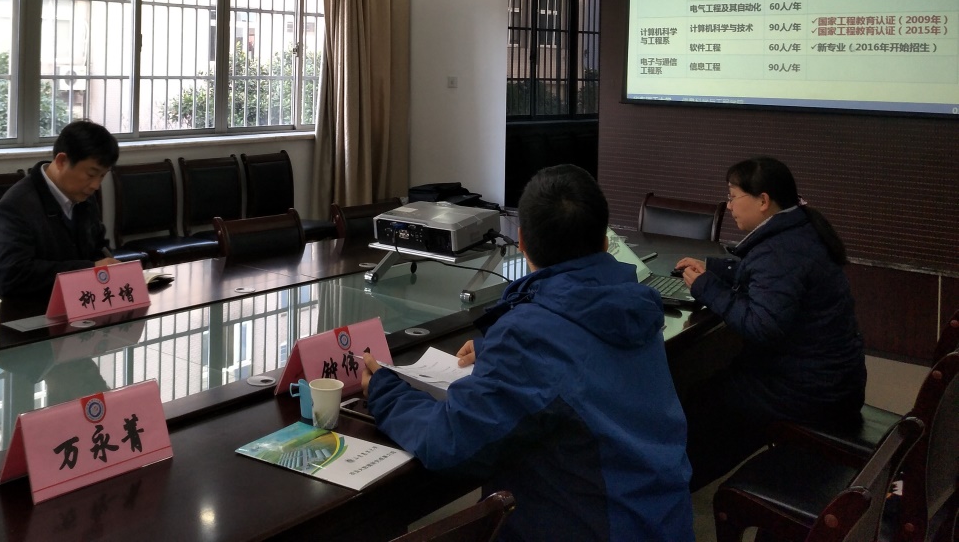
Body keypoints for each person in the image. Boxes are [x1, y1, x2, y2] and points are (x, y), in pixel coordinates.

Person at [361, 164, 694, 542]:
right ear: (605, 242)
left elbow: (449, 443)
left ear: (520, 240)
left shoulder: (531, 336)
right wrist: (497, 351)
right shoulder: (633, 304)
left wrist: (385, 392)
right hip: (662, 521)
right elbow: (581, 361)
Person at [675, 155, 865, 489]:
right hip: (833, 380)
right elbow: (767, 278)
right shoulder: (799, 228)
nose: (729, 205)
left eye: (733, 196)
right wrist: (714, 270)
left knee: (705, 399)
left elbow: (761, 326)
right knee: (713, 386)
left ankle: (675, 485)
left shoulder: (779, 251)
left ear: (763, 201)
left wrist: (707, 289)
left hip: (808, 392)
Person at [0, 120, 119, 298]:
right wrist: (89, 269)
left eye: (102, 176)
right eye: (91, 174)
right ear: (61, 161)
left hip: (78, 301)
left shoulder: (84, 197)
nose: (96, 185)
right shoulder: (16, 206)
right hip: (26, 309)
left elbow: (98, 248)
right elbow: (12, 274)